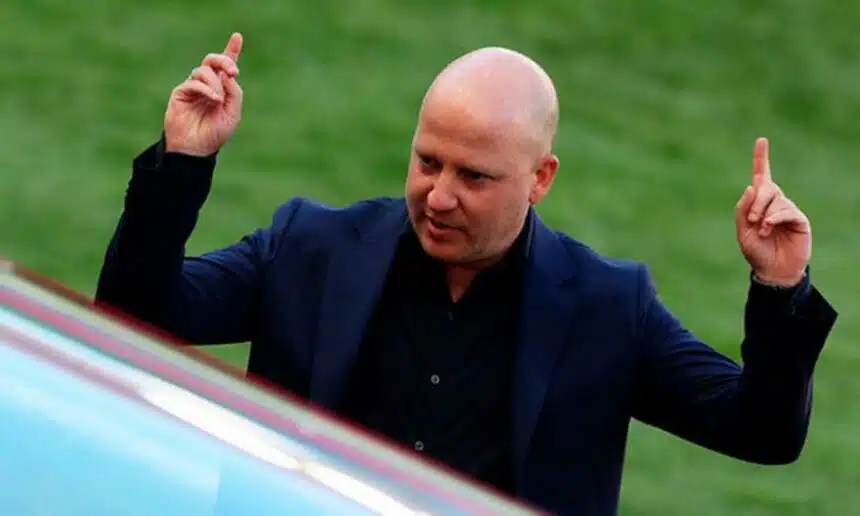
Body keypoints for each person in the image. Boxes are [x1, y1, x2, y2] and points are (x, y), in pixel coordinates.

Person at [95, 32, 838, 515]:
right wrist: (183, 161)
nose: (439, 196)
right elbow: (135, 313)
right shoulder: (310, 248)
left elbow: (762, 432)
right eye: (428, 162)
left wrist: (780, 288)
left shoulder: (609, 306)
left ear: (540, 178)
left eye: (474, 177)